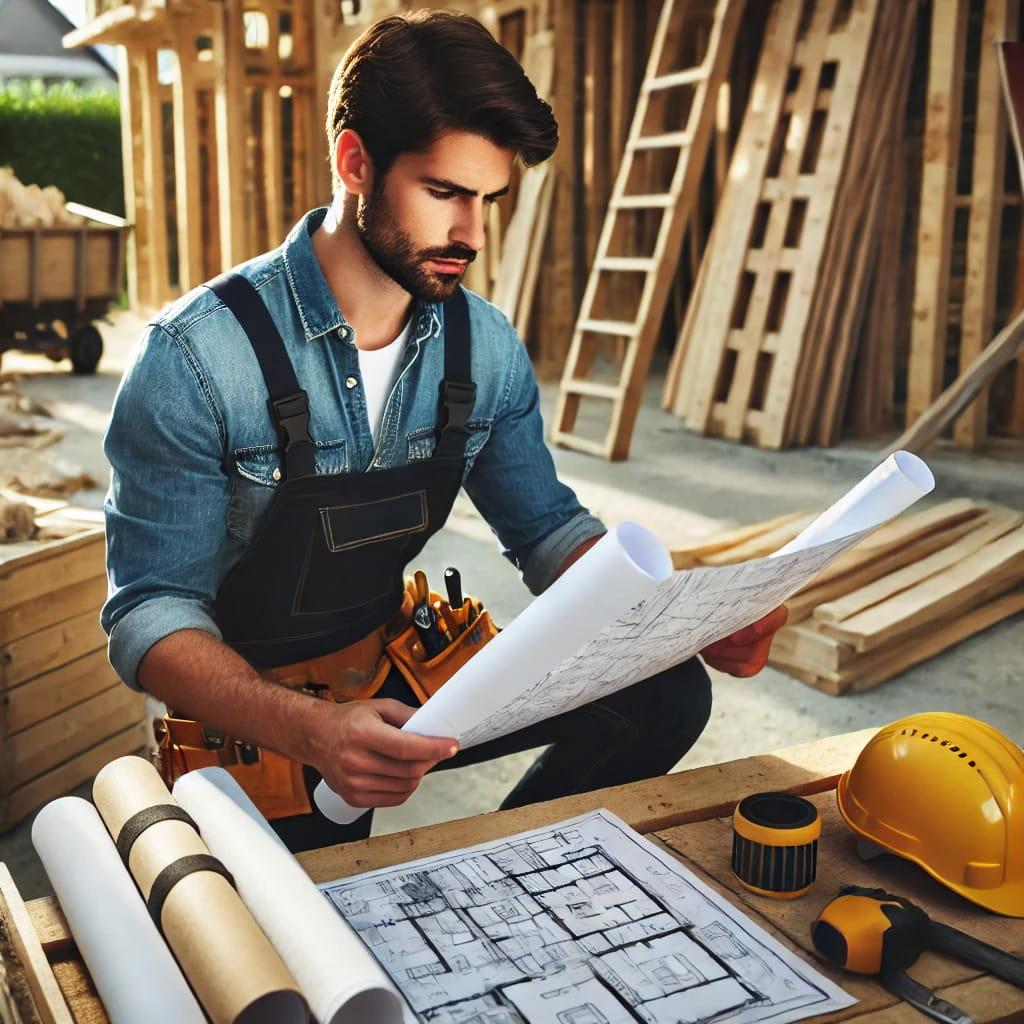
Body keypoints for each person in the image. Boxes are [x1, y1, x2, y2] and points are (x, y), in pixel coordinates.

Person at [101, 9, 787, 853]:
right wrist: (315, 732)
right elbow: (150, 613)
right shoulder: (198, 360)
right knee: (306, 945)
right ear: (356, 162)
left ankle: (501, 869)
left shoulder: (483, 346)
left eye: (489, 199)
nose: (472, 235)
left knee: (662, 689)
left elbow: (547, 530)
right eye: (444, 194)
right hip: (259, 717)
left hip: (396, 665)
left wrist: (677, 616)